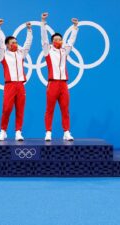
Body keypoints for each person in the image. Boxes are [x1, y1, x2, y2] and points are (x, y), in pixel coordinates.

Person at [41, 12, 78, 141]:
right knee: (50, 109)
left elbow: (71, 42)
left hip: (63, 84)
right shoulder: (48, 50)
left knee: (65, 109)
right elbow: (44, 39)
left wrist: (74, 27)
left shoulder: (64, 51)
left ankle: (66, 132)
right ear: (52, 42)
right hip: (52, 84)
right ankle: (48, 132)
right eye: (56, 40)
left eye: (60, 39)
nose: (58, 41)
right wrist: (43, 23)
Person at [0, 19, 32, 141]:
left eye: (16, 42)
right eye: (12, 42)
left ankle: (18, 132)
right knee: (6, 109)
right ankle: (3, 131)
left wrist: (29, 30)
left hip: (20, 86)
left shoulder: (21, 54)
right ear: (7, 45)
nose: (15, 44)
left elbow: (28, 44)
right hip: (9, 85)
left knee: (20, 109)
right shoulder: (3, 55)